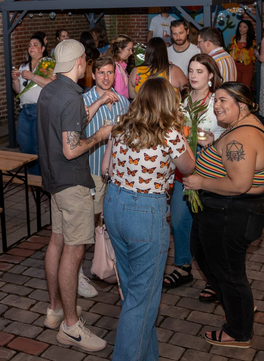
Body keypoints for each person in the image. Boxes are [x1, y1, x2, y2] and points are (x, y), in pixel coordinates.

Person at [101, 78, 196, 361]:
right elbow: (189, 167)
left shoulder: (121, 126)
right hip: (144, 212)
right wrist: (183, 134)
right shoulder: (169, 134)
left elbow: (106, 169)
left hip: (114, 204)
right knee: (142, 301)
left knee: (133, 293)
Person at [182, 82, 264, 349]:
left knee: (228, 273)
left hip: (230, 212)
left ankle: (239, 331)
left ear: (242, 105)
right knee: (208, 260)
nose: (217, 106)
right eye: (216, 101)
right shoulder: (241, 127)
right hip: (223, 211)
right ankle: (239, 308)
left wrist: (200, 182)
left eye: (223, 101)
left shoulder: (239, 138)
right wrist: (214, 145)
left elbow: (239, 184)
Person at [37, 39, 112, 353]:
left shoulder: (51, 90)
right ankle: (71, 327)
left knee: (56, 242)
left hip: (53, 180)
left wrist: (98, 104)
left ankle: (55, 309)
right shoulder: (71, 96)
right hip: (72, 183)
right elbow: (71, 148)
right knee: (74, 250)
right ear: (80, 62)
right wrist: (100, 135)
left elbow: (71, 121)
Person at [164, 54, 225, 302]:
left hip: (210, 167)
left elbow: (234, 133)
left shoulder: (218, 101)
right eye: (191, 70)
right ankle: (183, 266)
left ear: (210, 75)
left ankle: (214, 276)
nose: (193, 75)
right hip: (185, 168)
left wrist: (213, 140)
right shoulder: (184, 100)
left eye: (200, 71)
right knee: (179, 221)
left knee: (207, 225)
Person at [80, 55, 129, 299]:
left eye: (110, 72)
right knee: (87, 224)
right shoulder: (84, 101)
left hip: (117, 173)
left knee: (111, 223)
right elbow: (78, 128)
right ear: (93, 75)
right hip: (92, 170)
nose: (106, 77)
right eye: (101, 73)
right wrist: (99, 102)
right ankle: (77, 272)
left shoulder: (124, 102)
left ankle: (108, 263)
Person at [11, 34, 55, 176]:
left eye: (35, 45)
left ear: (43, 48)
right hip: (25, 110)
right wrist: (15, 80)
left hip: (40, 110)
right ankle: (32, 178)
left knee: (38, 147)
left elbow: (51, 85)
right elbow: (18, 91)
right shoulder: (24, 66)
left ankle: (41, 179)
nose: (31, 47)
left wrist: (33, 76)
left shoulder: (48, 63)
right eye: (30, 45)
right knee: (25, 146)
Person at [229, 20, 257, 88]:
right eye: (240, 26)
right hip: (236, 65)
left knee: (245, 87)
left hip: (247, 66)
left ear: (248, 29)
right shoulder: (234, 38)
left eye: (244, 27)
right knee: (236, 87)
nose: (241, 29)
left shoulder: (253, 40)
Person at [109, 35, 134, 99]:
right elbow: (120, 93)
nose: (131, 53)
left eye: (131, 50)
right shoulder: (116, 68)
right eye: (129, 49)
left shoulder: (121, 65)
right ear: (120, 49)